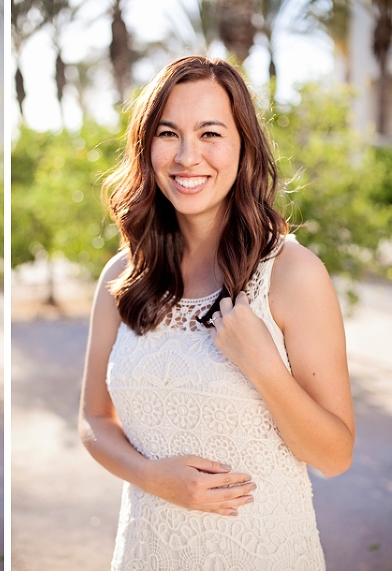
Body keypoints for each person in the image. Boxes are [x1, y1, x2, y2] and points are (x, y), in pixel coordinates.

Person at [78, 55, 354, 570]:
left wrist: (264, 367)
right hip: (146, 551)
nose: (187, 156)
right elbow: (94, 419)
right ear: (146, 147)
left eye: (210, 134)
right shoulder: (123, 276)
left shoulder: (293, 274)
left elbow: (335, 455)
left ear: (243, 146)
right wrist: (149, 476)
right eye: (168, 133)